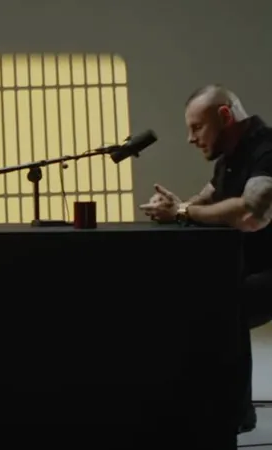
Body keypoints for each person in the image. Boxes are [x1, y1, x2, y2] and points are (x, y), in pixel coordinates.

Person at [140, 84, 272, 434]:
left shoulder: (266, 149)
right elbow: (203, 201)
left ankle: (231, 416)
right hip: (247, 267)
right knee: (187, 298)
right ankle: (206, 408)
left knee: (224, 307)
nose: (190, 138)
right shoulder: (230, 157)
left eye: (197, 127)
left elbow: (251, 213)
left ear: (225, 116)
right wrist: (175, 207)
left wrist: (182, 211)